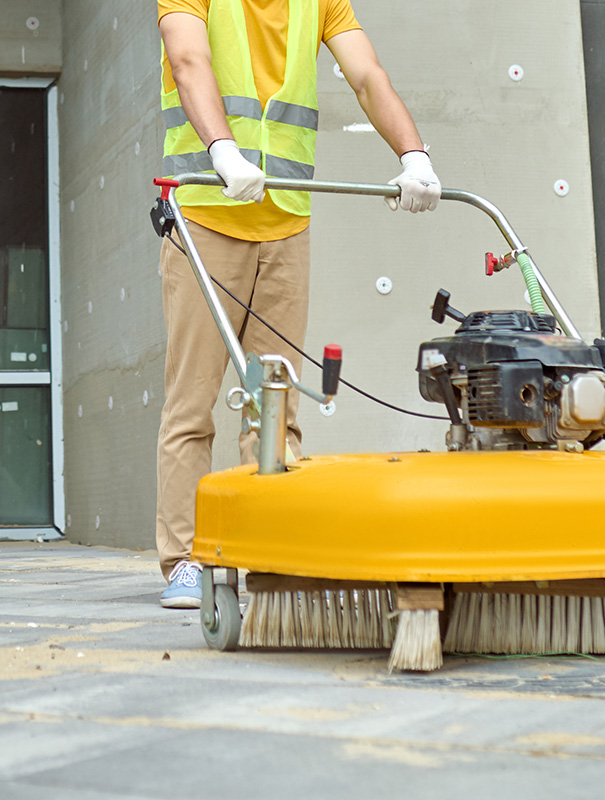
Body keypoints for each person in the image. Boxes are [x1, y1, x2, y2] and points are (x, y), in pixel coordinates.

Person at [156, 0, 442, 608]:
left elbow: (366, 76)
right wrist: (221, 150)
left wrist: (413, 154)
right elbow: (187, 59)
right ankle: (185, 560)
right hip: (208, 214)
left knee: (276, 402)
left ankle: (267, 551)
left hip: (285, 220)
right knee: (193, 401)